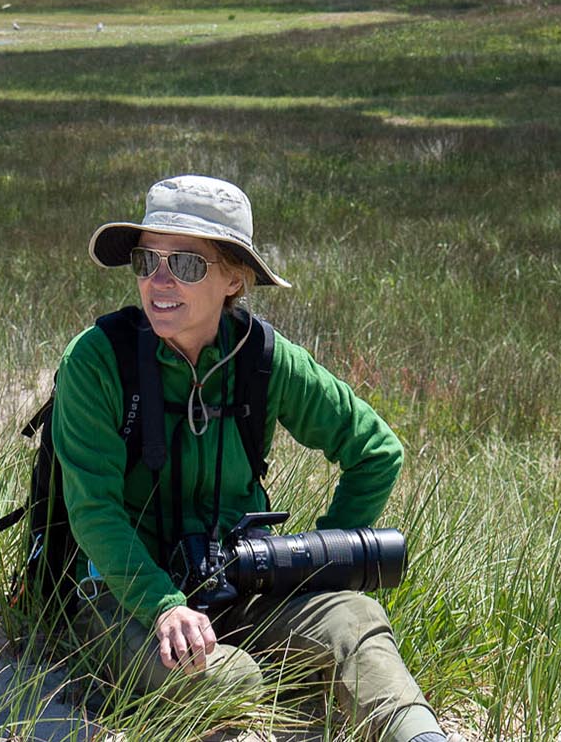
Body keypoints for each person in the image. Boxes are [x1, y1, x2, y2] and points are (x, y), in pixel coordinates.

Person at [51, 175, 449, 742]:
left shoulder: (263, 358)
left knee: (354, 620)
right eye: (146, 260)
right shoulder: (96, 361)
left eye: (184, 264)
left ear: (233, 278)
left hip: (243, 582)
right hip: (126, 597)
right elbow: (94, 512)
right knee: (231, 681)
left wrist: (319, 565)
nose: (158, 281)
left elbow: (376, 451)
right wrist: (164, 605)